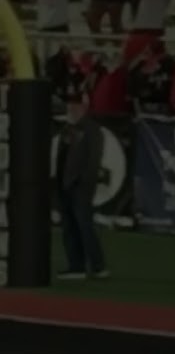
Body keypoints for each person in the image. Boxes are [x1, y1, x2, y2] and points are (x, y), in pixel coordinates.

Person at [56, 93, 106, 280]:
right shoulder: (68, 129)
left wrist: (84, 180)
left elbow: (93, 159)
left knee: (84, 224)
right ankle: (76, 265)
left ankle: (97, 265)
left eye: (75, 106)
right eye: (70, 106)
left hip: (81, 186)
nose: (71, 109)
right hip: (65, 183)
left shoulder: (91, 129)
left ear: (84, 108)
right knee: (70, 226)